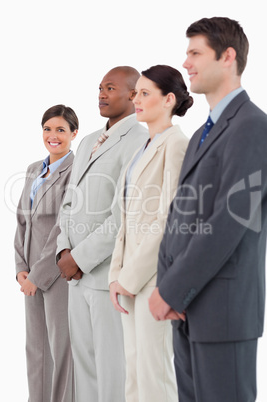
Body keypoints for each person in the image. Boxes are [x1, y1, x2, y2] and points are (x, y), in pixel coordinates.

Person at [149, 17, 267, 402]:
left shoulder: (251, 126)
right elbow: (181, 213)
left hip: (222, 312)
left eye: (195, 52)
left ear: (227, 56)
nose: (186, 63)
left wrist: (172, 289)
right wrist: (169, 287)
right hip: (188, 310)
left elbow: (229, 221)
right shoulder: (204, 132)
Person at [56, 66, 148, 402]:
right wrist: (63, 252)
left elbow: (123, 215)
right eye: (99, 88)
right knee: (85, 370)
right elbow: (69, 201)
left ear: (133, 94)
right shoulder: (87, 141)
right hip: (75, 278)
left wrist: (79, 258)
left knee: (113, 371)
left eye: (110, 88)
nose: (101, 94)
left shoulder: (140, 140)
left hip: (107, 277)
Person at [109, 65, 193, 402]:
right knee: (134, 370)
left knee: (153, 373)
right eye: (136, 92)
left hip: (154, 278)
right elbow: (126, 218)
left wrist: (129, 276)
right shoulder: (141, 148)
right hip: (129, 279)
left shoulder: (176, 145)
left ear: (169, 99)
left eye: (145, 93)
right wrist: (117, 275)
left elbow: (168, 220)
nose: (136, 99)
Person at [14, 104, 78, 402]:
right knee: (35, 348)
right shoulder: (32, 170)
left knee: (61, 347)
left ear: (73, 133)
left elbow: (62, 229)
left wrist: (38, 275)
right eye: (48, 129)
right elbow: (22, 221)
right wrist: (21, 268)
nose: (53, 136)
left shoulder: (75, 171)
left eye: (61, 130)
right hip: (30, 274)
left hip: (57, 274)